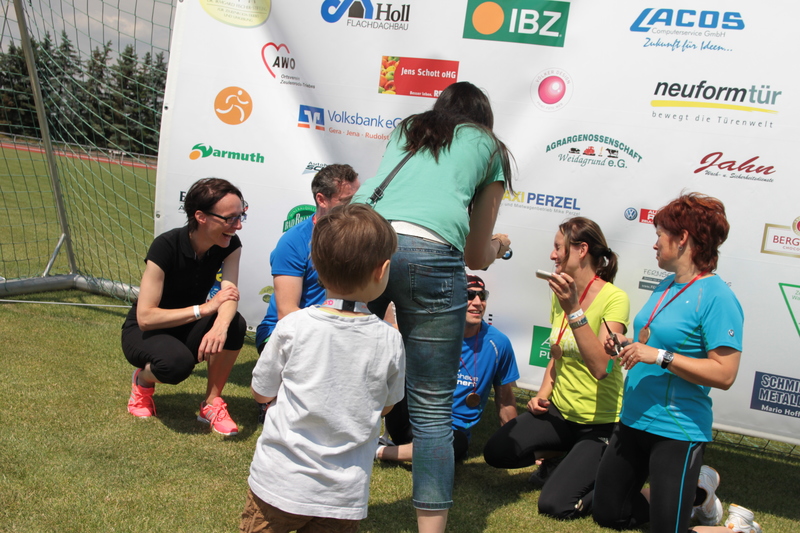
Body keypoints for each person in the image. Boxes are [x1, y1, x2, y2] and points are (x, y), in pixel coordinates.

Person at [351, 81, 513, 533]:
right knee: (433, 411)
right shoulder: (489, 147)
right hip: (432, 257)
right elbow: (476, 254)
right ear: (483, 120)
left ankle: (316, 504)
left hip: (365, 245)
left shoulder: (408, 129)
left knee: (345, 381)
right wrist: (499, 247)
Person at [592, 193, 756, 533]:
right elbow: (654, 343)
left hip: (677, 428)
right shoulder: (666, 284)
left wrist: (660, 357)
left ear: (682, 238)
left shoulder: (717, 297)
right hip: (633, 419)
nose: (654, 244)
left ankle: (737, 529)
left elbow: (725, 374)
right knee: (608, 513)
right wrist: (625, 344)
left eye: (659, 235)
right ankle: (694, 496)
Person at [241, 203, 405, 532]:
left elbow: (261, 391)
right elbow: (387, 406)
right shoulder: (389, 339)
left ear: (314, 266)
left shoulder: (293, 326)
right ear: (382, 270)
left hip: (277, 482)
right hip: (342, 496)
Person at [483, 217, 629, 520]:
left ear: (581, 250)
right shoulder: (560, 294)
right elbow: (557, 352)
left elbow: (601, 367)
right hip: (560, 414)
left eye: (558, 248)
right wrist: (542, 394)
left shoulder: (615, 298)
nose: (552, 255)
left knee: (555, 505)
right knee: (497, 451)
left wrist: (574, 310)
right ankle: (563, 455)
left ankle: (607, 473)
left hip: (600, 424)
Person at [123, 177, 247, 436]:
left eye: (241, 216)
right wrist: (204, 310)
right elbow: (145, 317)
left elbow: (229, 294)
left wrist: (220, 327)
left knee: (234, 324)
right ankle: (143, 380)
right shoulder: (165, 246)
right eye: (230, 219)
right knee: (176, 366)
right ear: (201, 217)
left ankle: (211, 403)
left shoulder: (230, 244)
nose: (238, 226)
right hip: (147, 331)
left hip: (188, 324)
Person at [376, 274, 519, 463]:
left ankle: (378, 451)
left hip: (451, 432)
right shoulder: (430, 330)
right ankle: (402, 448)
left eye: (482, 296)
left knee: (458, 444)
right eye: (469, 295)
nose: (478, 303)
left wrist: (515, 442)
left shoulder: (499, 343)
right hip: (411, 423)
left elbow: (505, 399)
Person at [255, 163, 360, 353]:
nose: (355, 206)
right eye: (346, 200)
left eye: (358, 198)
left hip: (336, 329)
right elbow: (287, 312)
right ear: (321, 199)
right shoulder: (294, 241)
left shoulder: (360, 236)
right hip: (283, 332)